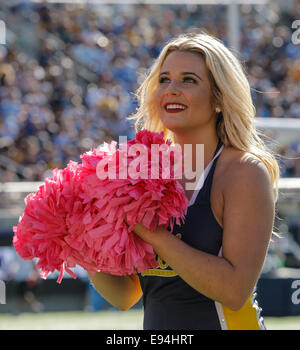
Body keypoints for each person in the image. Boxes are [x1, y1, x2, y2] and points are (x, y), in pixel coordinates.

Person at [89, 31, 280, 330]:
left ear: (219, 97)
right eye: (164, 80)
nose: (172, 89)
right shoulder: (146, 172)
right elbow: (126, 294)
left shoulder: (243, 172)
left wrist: (155, 235)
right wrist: (82, 238)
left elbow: (234, 290)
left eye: (188, 80)